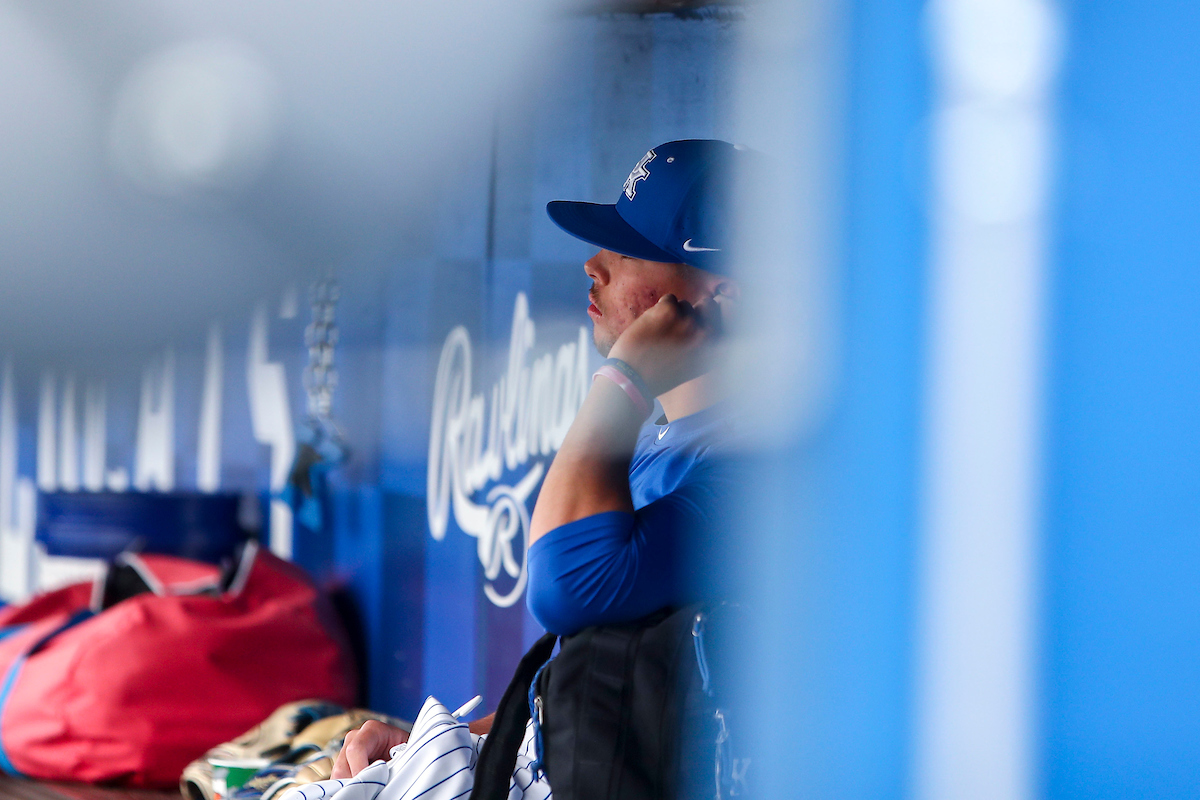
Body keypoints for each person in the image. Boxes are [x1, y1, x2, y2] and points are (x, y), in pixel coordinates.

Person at [332, 139, 745, 780]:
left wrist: (625, 379)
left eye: (633, 249)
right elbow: (590, 694)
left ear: (722, 296)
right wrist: (439, 742)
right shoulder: (674, 439)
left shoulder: (756, 466)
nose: (595, 264)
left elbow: (567, 587)